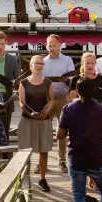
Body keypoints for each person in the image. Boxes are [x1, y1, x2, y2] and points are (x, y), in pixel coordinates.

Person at [18, 55, 54, 192]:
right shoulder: (24, 82)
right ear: (31, 66)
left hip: (44, 120)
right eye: (36, 63)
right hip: (28, 120)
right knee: (25, 151)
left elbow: (51, 100)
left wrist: (48, 110)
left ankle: (42, 178)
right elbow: (22, 102)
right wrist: (30, 113)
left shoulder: (48, 82)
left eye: (41, 63)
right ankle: (25, 179)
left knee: (43, 151)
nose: (39, 66)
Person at [42, 34, 75, 173]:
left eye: (54, 45)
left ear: (60, 45)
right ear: (46, 45)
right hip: (47, 99)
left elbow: (73, 79)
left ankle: (62, 161)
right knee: (45, 131)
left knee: (62, 132)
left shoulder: (67, 60)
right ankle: (43, 162)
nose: (52, 48)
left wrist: (66, 80)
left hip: (63, 98)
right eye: (49, 46)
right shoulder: (43, 61)